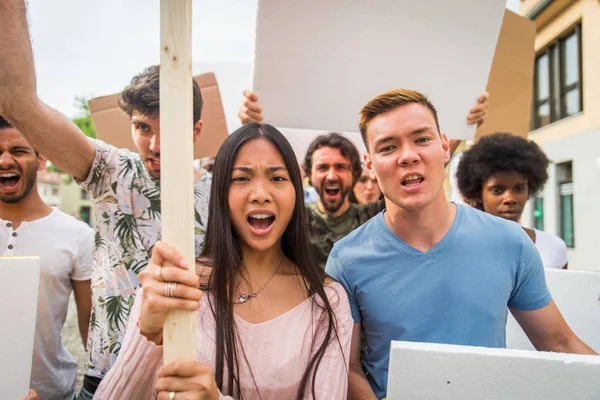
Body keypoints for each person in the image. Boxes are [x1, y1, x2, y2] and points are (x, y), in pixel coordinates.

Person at [324, 89, 596, 400]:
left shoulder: (509, 242)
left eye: (421, 139)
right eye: (388, 147)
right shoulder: (347, 259)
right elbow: (347, 366)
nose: (408, 155)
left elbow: (560, 344)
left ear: (444, 147)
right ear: (370, 164)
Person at [0, 4, 212, 397]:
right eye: (143, 127)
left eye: (172, 127)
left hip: (187, 382)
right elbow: (18, 102)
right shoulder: (111, 171)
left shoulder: (221, 194)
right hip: (107, 378)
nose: (156, 145)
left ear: (197, 128)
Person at [95, 123, 353, 399]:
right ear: (220, 193)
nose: (260, 194)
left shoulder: (328, 302)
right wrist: (148, 336)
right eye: (241, 178)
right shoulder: (176, 285)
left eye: (277, 178)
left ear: (296, 192)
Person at [238, 90, 489, 268]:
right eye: (323, 167)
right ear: (307, 174)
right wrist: (249, 130)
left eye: (341, 167)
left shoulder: (371, 217)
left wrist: (459, 128)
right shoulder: (294, 217)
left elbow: (417, 182)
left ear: (358, 172)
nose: (332, 175)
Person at [0, 116, 94, 400]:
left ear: (41, 161)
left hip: (53, 393)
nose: (5, 161)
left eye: (18, 151)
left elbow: (92, 329)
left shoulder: (77, 235)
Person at [456, 133, 568, 269]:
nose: (510, 198)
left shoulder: (553, 247)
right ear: (479, 193)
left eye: (518, 188)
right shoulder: (461, 247)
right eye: (497, 190)